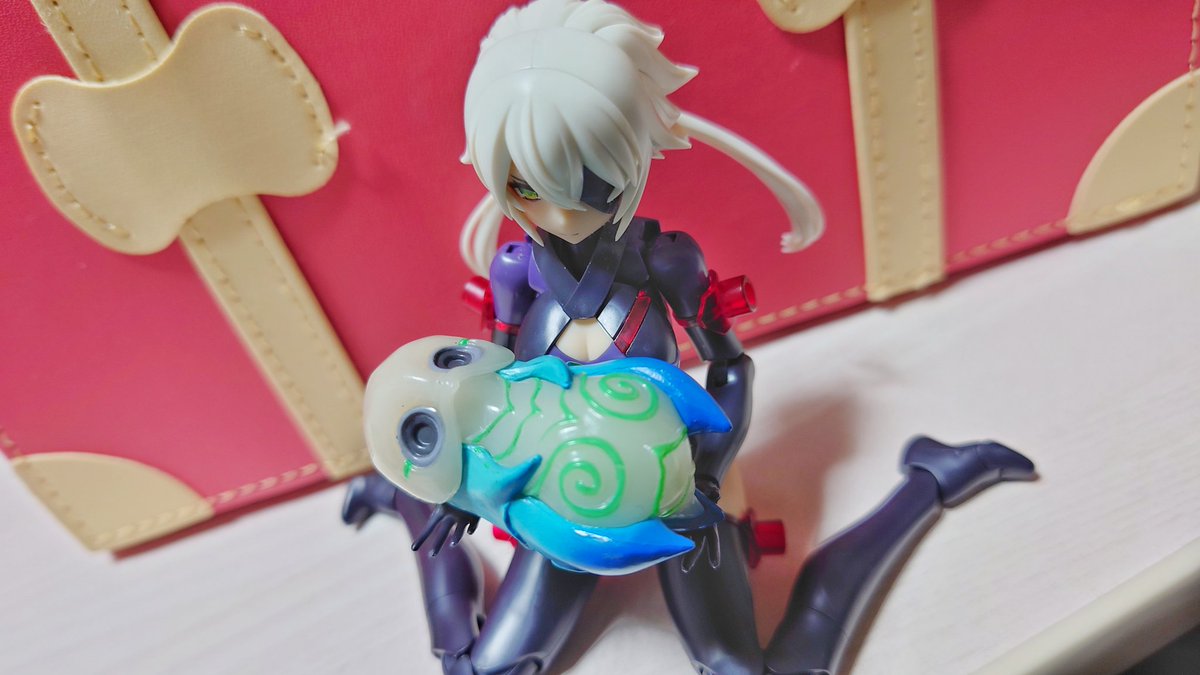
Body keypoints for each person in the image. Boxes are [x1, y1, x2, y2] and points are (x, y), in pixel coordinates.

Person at [344, 2, 1034, 673]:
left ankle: (926, 483)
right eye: (526, 187)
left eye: (588, 182)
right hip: (555, 507)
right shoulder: (515, 271)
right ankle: (405, 499)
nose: (561, 212)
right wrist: (447, 489)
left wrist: (703, 475)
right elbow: (488, 388)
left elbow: (731, 368)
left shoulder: (666, 262)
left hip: (677, 495)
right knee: (475, 666)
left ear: (628, 154)